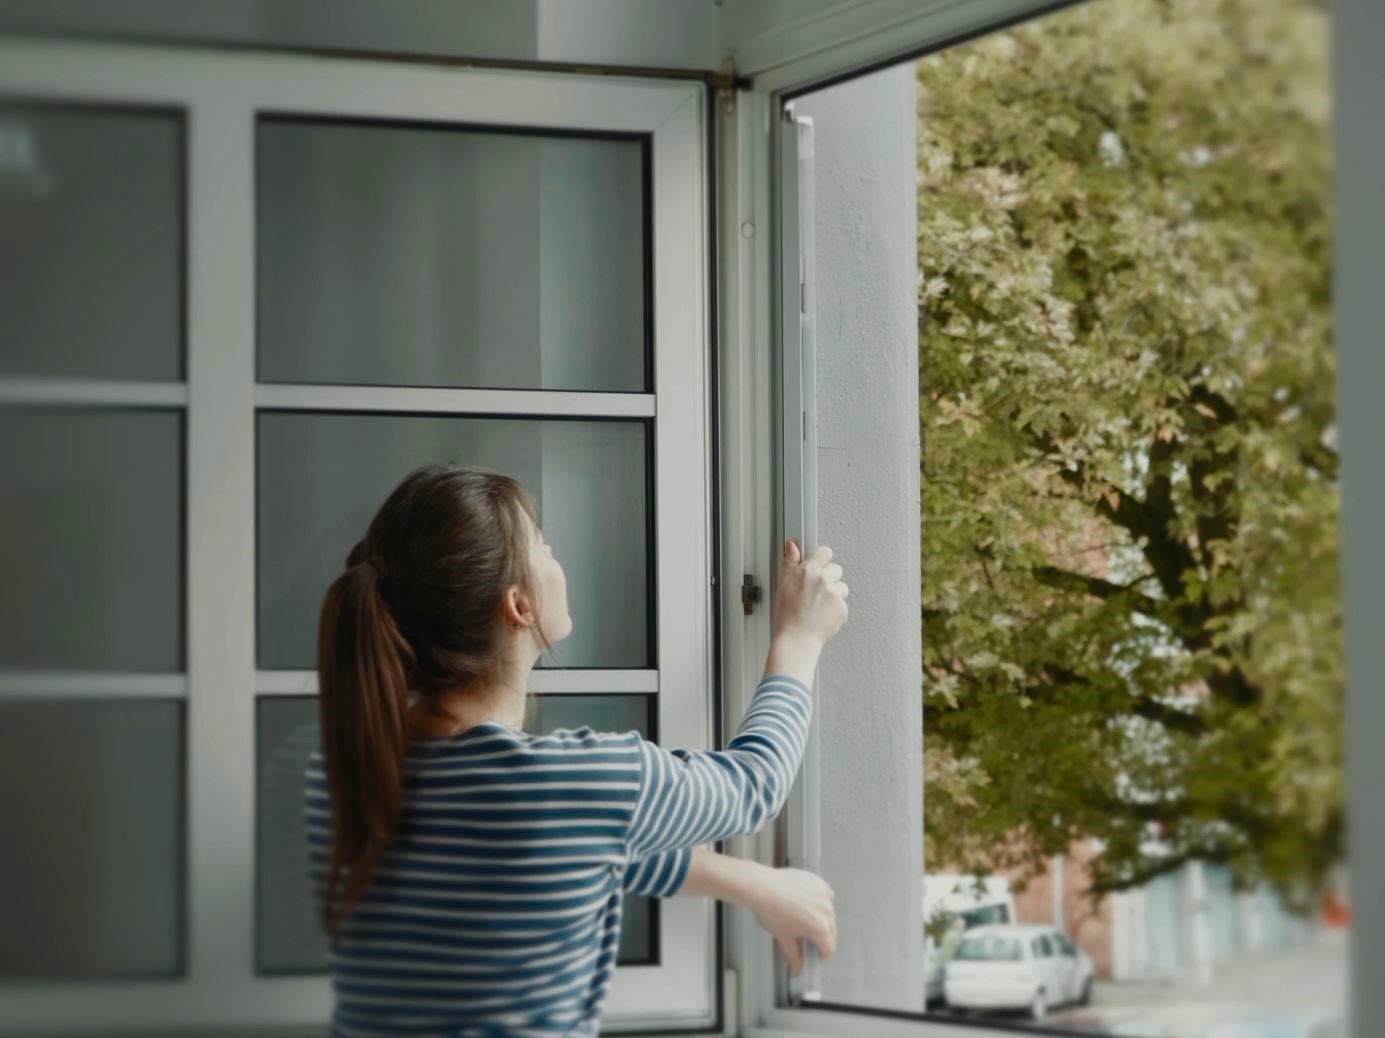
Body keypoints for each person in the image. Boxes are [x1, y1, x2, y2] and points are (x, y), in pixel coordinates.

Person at [306, 463, 849, 1037]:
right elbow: (752, 786)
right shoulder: (578, 783)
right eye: (544, 546)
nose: (556, 557)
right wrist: (799, 638)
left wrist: (753, 885)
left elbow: (566, 849)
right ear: (519, 605)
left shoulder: (343, 775)